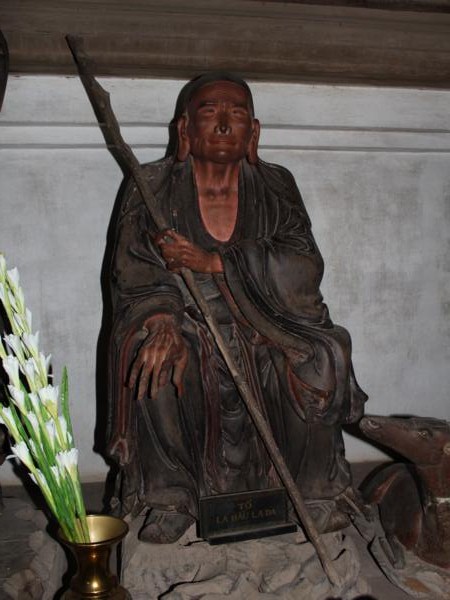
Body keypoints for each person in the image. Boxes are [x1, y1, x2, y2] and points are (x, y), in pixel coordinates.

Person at [106, 72, 367, 543]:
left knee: (320, 355)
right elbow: (135, 270)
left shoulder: (276, 184)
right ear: (184, 130)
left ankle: (314, 493)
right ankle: (171, 497)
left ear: (254, 132)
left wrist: (215, 262)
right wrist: (161, 320)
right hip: (187, 323)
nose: (225, 124)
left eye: (238, 113)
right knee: (153, 357)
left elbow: (305, 263)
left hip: (265, 321)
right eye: (210, 112)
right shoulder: (151, 187)